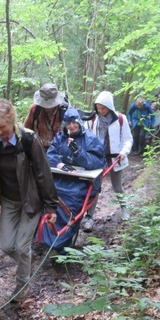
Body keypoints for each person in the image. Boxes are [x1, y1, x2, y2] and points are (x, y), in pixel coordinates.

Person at [0, 99, 58, 302]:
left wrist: (51, 206)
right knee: (6, 246)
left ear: (12, 121)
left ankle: (22, 287)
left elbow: (43, 173)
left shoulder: (29, 140)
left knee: (23, 248)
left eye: (2, 127)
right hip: (9, 201)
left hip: (31, 201)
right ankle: (27, 265)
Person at [41, 107, 105, 253]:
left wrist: (78, 152)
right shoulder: (60, 137)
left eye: (74, 122)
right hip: (60, 178)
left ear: (79, 122)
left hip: (80, 182)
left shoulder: (90, 139)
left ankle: (63, 242)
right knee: (49, 197)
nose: (71, 126)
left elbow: (96, 162)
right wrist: (60, 164)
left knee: (72, 203)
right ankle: (47, 236)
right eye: (68, 123)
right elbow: (50, 154)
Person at [83, 91, 133, 226]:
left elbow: (127, 139)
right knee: (94, 188)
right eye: (98, 108)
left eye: (103, 108)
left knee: (117, 187)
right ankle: (89, 217)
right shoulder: (92, 119)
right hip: (97, 159)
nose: (100, 111)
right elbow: (86, 136)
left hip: (115, 159)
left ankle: (124, 209)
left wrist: (124, 152)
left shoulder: (120, 119)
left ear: (109, 106)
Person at [23, 83, 68, 149]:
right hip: (37, 148)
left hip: (57, 150)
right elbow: (26, 129)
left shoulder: (63, 111)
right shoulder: (35, 109)